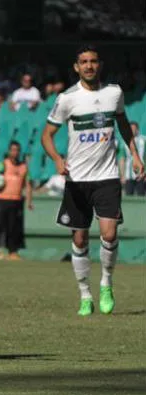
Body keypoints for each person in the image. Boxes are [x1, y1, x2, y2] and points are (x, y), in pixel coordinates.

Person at [41, 45, 145, 316]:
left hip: (107, 176)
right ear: (76, 67)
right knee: (80, 239)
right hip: (77, 179)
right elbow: (46, 136)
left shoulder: (114, 93)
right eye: (83, 62)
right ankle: (85, 294)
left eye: (93, 61)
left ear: (100, 64)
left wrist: (134, 155)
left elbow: (123, 124)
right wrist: (57, 159)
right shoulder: (67, 98)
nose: (89, 66)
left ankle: (106, 284)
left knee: (109, 234)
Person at [0, 141, 33, 260]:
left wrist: (29, 201)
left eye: (17, 150)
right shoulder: (3, 164)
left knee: (14, 227)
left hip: (16, 200)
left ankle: (12, 252)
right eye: (13, 150)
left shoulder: (23, 167)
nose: (15, 152)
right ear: (9, 151)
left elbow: (28, 185)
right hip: (2, 200)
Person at [119, 121, 146, 196]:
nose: (132, 130)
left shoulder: (143, 140)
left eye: (134, 129)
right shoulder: (124, 141)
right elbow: (122, 160)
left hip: (142, 175)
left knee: (141, 198)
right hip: (128, 176)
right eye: (130, 129)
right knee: (128, 198)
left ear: (137, 130)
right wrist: (122, 175)